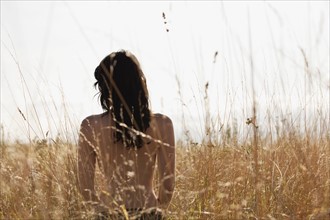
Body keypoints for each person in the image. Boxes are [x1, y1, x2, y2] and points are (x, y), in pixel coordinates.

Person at [77, 50, 175, 219]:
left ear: (104, 87)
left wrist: (101, 212)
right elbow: (168, 186)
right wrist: (155, 209)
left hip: (108, 213)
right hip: (148, 211)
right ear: (139, 83)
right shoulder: (162, 124)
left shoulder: (90, 125)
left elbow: (85, 188)